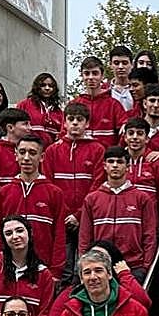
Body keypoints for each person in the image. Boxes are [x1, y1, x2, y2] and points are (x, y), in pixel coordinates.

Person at [43, 102, 106, 282]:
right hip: (61, 217)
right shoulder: (52, 151)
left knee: (85, 263)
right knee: (63, 266)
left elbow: (97, 184)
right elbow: (49, 185)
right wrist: (63, 214)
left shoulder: (97, 150)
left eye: (80, 120)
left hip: (86, 217)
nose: (75, 123)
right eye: (71, 119)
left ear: (87, 123)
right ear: (64, 123)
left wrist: (79, 215)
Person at [79, 146, 159, 281]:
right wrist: (84, 264)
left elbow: (150, 235)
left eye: (120, 162)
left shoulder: (142, 198)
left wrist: (145, 266)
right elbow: (84, 237)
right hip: (100, 267)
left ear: (127, 166)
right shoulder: (92, 199)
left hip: (133, 266)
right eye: (111, 162)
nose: (115, 165)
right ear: (104, 166)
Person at [0, 135, 67, 280]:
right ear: (16, 155)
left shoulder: (54, 193)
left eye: (32, 153)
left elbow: (59, 234)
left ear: (42, 157)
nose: (26, 158)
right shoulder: (4, 192)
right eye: (22, 152)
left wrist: (55, 271)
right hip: (9, 268)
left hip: (43, 268)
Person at [68, 56, 124, 147]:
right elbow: (65, 133)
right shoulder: (73, 103)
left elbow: (124, 133)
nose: (90, 77)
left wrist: (115, 153)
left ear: (102, 76)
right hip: (80, 157)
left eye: (95, 73)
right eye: (87, 73)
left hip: (106, 158)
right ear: (82, 76)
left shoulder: (114, 104)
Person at [18, 72, 65, 146]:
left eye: (50, 86)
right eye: (43, 85)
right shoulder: (24, 105)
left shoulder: (59, 112)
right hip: (29, 149)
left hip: (50, 152)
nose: (47, 88)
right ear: (37, 87)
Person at [107, 45, 135, 112]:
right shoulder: (104, 90)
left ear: (132, 65)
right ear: (110, 65)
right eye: (116, 63)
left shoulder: (139, 90)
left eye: (124, 63)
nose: (120, 67)